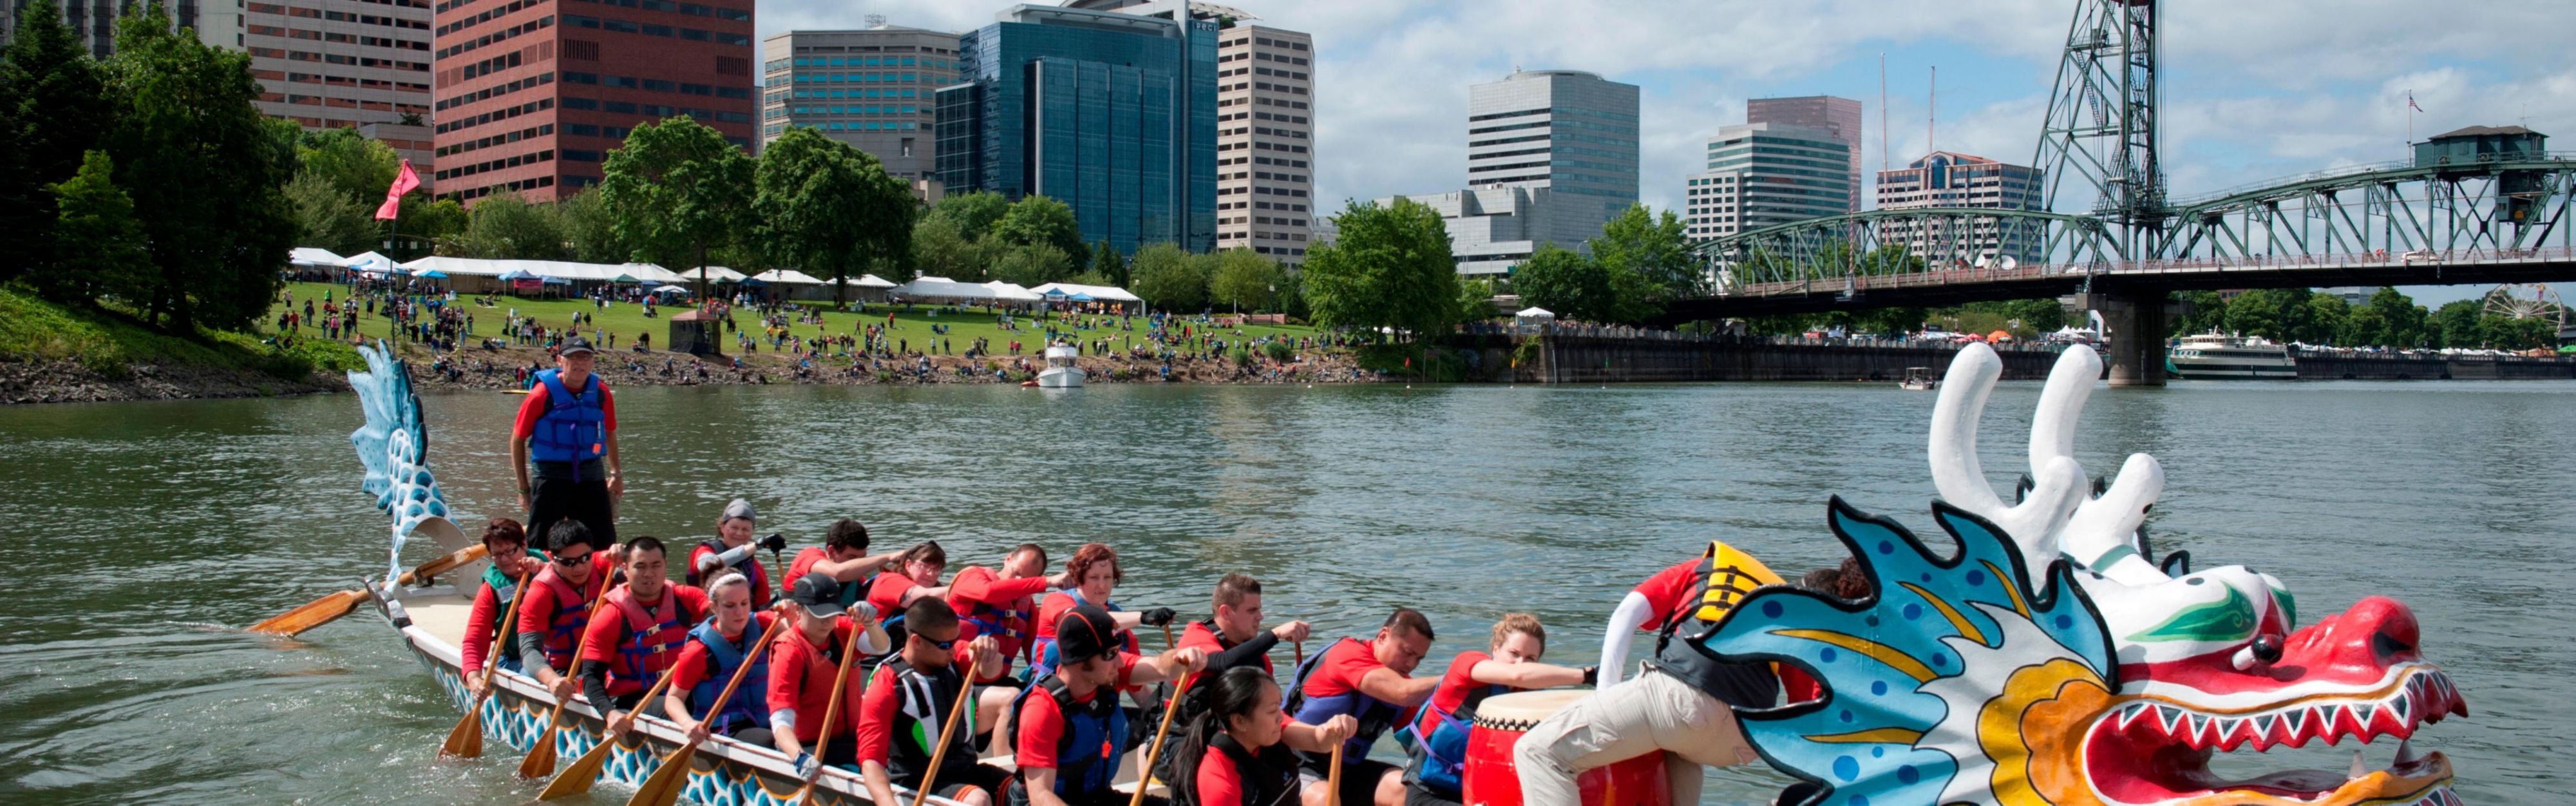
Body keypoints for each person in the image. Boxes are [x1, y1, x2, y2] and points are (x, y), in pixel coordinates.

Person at [1513, 541, 1794, 805]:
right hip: (1743, 739)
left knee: (1538, 752)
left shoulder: (1698, 568)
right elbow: (1810, 703)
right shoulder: (1789, 606)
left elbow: (1627, 612)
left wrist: (1605, 691)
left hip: (1682, 699)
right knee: (1679, 748)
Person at [1008, 604, 1206, 806]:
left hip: (1097, 797)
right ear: (1079, 661)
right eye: (1110, 655)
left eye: (1118, 651)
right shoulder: (1041, 710)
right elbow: (1041, 797)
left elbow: (1160, 667)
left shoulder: (1106, 673)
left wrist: (1181, 658)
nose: (1120, 663)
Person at [1401, 615, 1591, 806]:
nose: (1521, 663)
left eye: (1530, 659)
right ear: (1496, 649)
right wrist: (1587, 675)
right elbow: (1517, 675)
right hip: (1428, 793)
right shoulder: (1466, 665)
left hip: (1478, 795)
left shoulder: (1531, 697)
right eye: (1514, 654)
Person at [855, 598, 1013, 806]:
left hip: (965, 768)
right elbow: (871, 761)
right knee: (978, 799)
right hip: (916, 778)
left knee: (1025, 789)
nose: (953, 649)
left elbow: (990, 672)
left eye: (957, 640)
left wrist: (989, 654)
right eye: (945, 645)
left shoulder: (953, 656)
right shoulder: (887, 684)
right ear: (917, 642)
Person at [1156, 574, 1311, 782]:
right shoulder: (1198, 637)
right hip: (1176, 741)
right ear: (1226, 613)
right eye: (1252, 611)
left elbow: (1272, 711)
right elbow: (1222, 663)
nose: (1261, 617)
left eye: (1259, 609)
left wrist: (1316, 736)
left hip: (1227, 740)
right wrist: (1275, 635)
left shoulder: (1258, 659)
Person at [1285, 609, 1440, 806]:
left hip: (1347, 771)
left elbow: (1423, 748)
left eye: (1419, 659)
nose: (1411, 664)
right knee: (1324, 799)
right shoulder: (1347, 653)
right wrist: (1458, 678)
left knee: (1405, 791)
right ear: (1384, 636)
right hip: (1294, 764)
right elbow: (1402, 692)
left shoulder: (1404, 689)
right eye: (1407, 652)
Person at [578, 536, 711, 739]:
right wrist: (609, 713)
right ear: (625, 569)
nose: (649, 574)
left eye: (656, 565)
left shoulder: (687, 597)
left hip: (680, 691)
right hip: (632, 700)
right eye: (640, 567)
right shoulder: (610, 616)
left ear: (665, 565)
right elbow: (591, 676)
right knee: (683, 707)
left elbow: (724, 613)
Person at [1173, 667, 1358, 806]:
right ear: (1240, 721)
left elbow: (1319, 741)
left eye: (1279, 706)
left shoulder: (1269, 729)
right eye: (1271, 710)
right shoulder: (1219, 780)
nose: (1280, 716)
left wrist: (1334, 728)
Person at [768, 572, 891, 777]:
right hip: (810, 746)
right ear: (798, 610)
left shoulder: (842, 630)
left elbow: (881, 647)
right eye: (818, 614)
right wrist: (799, 758)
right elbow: (781, 719)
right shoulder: (789, 650)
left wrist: (870, 623)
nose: (826, 622)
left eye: (831, 614)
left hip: (851, 738)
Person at [511, 336, 622, 552]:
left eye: (585, 357)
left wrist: (616, 474)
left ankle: (600, 582)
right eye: (573, 357)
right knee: (540, 541)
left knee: (602, 541)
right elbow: (517, 439)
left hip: (590, 472)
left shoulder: (601, 393)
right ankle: (537, 582)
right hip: (550, 474)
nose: (580, 363)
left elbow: (610, 432)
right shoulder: (541, 394)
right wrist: (523, 488)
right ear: (560, 360)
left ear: (592, 362)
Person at [661, 570, 779, 746]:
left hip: (766, 719)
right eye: (730, 606)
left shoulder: (766, 625)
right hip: (723, 727)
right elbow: (674, 698)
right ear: (714, 607)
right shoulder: (698, 650)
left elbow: (801, 629)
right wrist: (687, 723)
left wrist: (791, 613)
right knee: (767, 740)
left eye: (744, 603)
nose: (739, 612)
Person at [1030, 543, 1175, 680]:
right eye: (1094, 578)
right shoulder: (1056, 601)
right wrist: (1143, 617)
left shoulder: (1119, 618)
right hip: (1052, 692)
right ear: (1078, 579)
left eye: (1107, 577)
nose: (1102, 585)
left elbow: (1130, 679)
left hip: (1100, 697)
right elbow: (1082, 620)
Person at [514, 521, 621, 704]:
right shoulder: (541, 592)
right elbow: (529, 650)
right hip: (566, 671)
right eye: (569, 563)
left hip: (606, 661)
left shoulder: (606, 566)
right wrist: (552, 680)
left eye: (584, 558)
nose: (579, 568)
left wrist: (628, 557)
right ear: (553, 559)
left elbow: (646, 578)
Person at [461, 517, 547, 693]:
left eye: (510, 551)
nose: (505, 560)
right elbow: (475, 640)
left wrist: (547, 570)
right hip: (516, 658)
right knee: (538, 674)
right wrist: (474, 679)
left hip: (559, 654)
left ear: (524, 545)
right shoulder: (491, 589)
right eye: (497, 555)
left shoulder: (548, 563)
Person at [785, 518, 907, 610]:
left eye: (862, 558)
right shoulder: (808, 556)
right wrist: (888, 557)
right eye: (852, 557)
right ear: (832, 551)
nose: (857, 563)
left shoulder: (858, 581)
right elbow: (837, 573)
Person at [689, 497, 788, 608]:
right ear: (722, 528)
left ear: (752, 533)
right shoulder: (703, 551)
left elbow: (761, 607)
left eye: (745, 530)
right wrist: (757, 545)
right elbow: (707, 566)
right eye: (734, 528)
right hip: (704, 618)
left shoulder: (756, 569)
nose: (739, 533)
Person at [866, 541, 956, 642]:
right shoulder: (889, 580)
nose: (930, 574)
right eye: (925, 566)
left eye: (936, 569)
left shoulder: (936, 589)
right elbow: (925, 597)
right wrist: (965, 587)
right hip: (877, 648)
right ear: (908, 565)